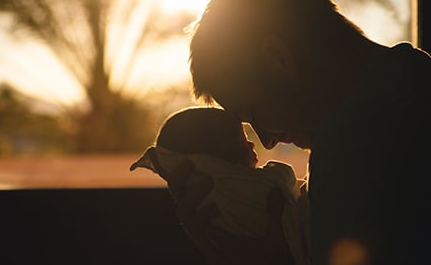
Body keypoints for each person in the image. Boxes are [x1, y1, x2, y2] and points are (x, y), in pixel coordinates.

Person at [170, 0, 431, 265]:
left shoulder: (357, 136)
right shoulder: (420, 81)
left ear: (278, 58)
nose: (267, 139)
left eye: (253, 112)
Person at [130, 107, 310, 264]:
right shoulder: (240, 189)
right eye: (241, 141)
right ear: (212, 161)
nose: (255, 143)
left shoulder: (203, 202)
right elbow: (284, 180)